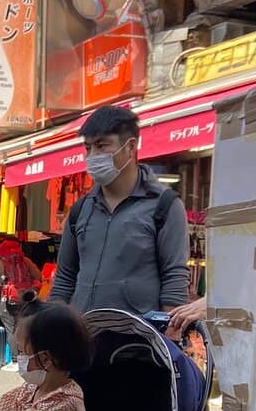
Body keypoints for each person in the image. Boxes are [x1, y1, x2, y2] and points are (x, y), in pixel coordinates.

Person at [50, 105, 190, 316]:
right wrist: (52, 323)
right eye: (88, 148)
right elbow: (65, 277)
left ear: (130, 147)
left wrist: (169, 331)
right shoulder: (81, 209)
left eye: (101, 146)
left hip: (136, 338)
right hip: (83, 335)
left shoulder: (165, 206)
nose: (92, 156)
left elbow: (175, 276)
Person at [0, 239, 41, 355]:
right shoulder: (25, 261)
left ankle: (16, 359)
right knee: (23, 328)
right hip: (25, 300)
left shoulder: (1, 263)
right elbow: (38, 276)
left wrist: (2, 288)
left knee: (11, 330)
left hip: (8, 301)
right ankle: (26, 355)